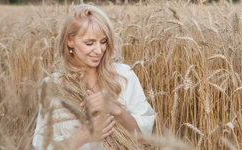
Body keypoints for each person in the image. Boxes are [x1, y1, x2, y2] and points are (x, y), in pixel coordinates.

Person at [32, 4, 155, 150]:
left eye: (103, 41)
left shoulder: (123, 75)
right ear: (70, 41)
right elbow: (42, 146)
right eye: (89, 43)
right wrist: (82, 136)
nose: (99, 50)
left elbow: (145, 136)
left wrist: (117, 111)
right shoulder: (52, 86)